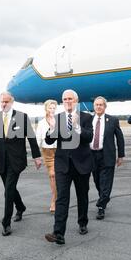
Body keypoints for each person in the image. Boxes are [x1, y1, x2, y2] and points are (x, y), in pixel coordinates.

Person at [0, 91, 42, 236]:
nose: (4, 104)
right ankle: (20, 207)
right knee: (10, 188)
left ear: (12, 102)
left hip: (16, 160)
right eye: (2, 102)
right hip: (2, 160)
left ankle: (6, 223)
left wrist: (36, 156)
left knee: (8, 190)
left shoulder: (22, 117)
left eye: (6, 102)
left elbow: (31, 137)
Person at [44, 89, 93, 245]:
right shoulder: (57, 118)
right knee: (62, 198)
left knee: (82, 196)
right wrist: (52, 128)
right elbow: (50, 141)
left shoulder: (86, 117)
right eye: (65, 99)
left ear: (76, 100)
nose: (67, 101)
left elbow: (88, 137)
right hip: (63, 164)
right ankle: (58, 233)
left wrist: (77, 126)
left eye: (70, 99)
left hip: (82, 163)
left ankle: (82, 222)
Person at [90, 96, 125, 220]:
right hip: (92, 155)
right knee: (97, 181)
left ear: (105, 106)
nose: (98, 107)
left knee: (106, 182)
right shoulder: (88, 120)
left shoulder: (113, 120)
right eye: (96, 105)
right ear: (94, 106)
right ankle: (103, 197)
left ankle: (101, 206)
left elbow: (120, 138)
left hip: (107, 155)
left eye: (101, 105)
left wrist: (121, 155)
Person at [35, 99, 58, 212]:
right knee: (52, 175)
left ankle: (58, 197)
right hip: (47, 152)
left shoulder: (59, 121)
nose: (52, 110)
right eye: (50, 108)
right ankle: (54, 200)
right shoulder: (41, 123)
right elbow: (38, 139)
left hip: (59, 151)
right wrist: (36, 156)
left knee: (59, 176)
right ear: (46, 109)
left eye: (54, 108)